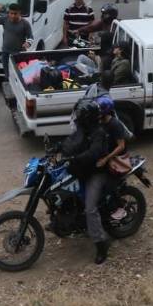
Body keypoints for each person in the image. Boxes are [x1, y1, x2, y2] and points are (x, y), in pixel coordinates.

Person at [62, 101, 113, 264]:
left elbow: (93, 153)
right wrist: (58, 147)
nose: (77, 117)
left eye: (80, 115)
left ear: (87, 117)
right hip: (83, 169)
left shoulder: (99, 133)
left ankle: (101, 244)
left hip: (96, 173)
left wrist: (75, 159)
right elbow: (73, 141)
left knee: (90, 208)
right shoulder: (83, 128)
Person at [0, 2, 33, 76]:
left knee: (19, 74)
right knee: (7, 73)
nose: (12, 16)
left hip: (18, 54)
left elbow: (30, 37)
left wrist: (28, 43)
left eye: (15, 14)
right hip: (5, 52)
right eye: (11, 13)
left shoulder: (25, 23)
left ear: (19, 13)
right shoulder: (5, 19)